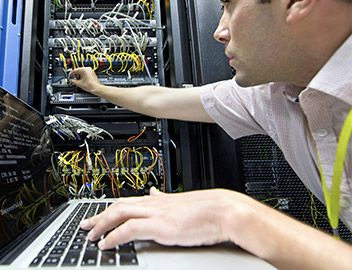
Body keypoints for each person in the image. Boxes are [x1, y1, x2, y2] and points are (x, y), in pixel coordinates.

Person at [68, 0, 352, 268]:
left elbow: (234, 215)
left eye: (229, 5)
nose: (219, 32)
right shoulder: (273, 95)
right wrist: (98, 89)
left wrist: (233, 216)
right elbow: (159, 101)